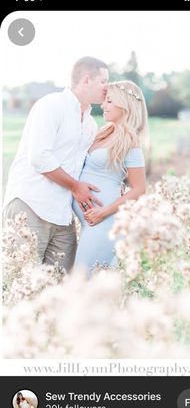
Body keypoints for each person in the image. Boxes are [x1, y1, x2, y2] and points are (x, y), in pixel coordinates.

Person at [3, 57, 109, 271]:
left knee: (57, 291)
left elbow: (86, 166)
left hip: (62, 215)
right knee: (19, 282)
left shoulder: (90, 124)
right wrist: (75, 187)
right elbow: (39, 157)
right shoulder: (51, 105)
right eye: (103, 81)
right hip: (30, 204)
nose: (108, 87)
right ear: (86, 80)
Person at [73, 80, 147, 274]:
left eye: (109, 101)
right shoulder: (104, 132)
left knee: (81, 281)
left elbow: (139, 189)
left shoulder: (131, 142)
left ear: (125, 105)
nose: (103, 105)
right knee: (87, 282)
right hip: (91, 222)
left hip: (105, 221)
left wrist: (103, 212)